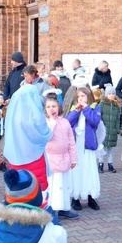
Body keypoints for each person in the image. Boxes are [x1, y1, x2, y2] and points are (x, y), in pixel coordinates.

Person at [44, 91, 79, 220]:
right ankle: (52, 210)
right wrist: (52, 123)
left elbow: (71, 142)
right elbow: (46, 137)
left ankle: (64, 208)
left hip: (64, 158)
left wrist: (73, 158)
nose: (51, 109)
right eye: (48, 107)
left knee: (64, 185)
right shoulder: (45, 123)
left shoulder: (65, 122)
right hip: (51, 159)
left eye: (54, 106)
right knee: (53, 186)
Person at [66, 86, 102, 211]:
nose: (80, 98)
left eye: (83, 96)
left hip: (88, 145)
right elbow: (67, 123)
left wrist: (86, 108)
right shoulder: (74, 108)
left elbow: (95, 121)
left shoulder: (94, 107)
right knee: (76, 171)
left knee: (89, 170)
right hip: (76, 145)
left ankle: (91, 197)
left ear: (88, 96)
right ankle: (75, 198)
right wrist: (76, 111)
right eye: (78, 96)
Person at [98, 85, 120, 173]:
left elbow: (118, 119)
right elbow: (99, 117)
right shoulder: (102, 104)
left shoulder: (116, 106)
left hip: (112, 131)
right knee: (102, 149)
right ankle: (100, 164)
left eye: (113, 93)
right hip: (104, 130)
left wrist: (117, 129)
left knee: (111, 149)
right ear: (106, 94)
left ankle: (110, 164)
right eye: (109, 93)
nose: (111, 95)